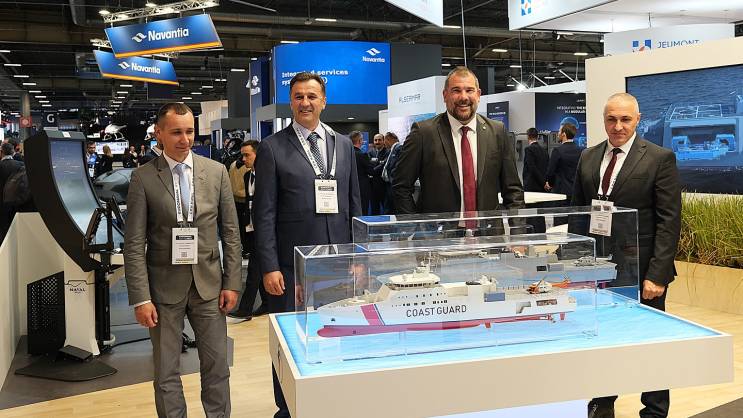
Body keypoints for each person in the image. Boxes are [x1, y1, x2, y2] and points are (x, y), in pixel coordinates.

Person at [123, 102, 242, 418]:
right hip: (163, 291)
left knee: (217, 366)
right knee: (166, 372)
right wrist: (141, 298)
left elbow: (231, 233)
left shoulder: (215, 172)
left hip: (210, 287)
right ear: (159, 133)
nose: (185, 139)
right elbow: (133, 244)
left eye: (189, 131)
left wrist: (232, 282)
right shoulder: (143, 178)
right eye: (176, 132)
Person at [254, 72, 361, 418]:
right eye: (298, 96)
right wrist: (269, 266)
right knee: (290, 340)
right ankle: (287, 407)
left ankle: (329, 401)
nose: (305, 103)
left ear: (323, 101)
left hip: (337, 262)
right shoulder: (272, 147)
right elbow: (264, 213)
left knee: (335, 332)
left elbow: (354, 204)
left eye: (312, 96)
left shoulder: (342, 144)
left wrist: (358, 255)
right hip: (291, 267)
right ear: (291, 102)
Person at [571, 93, 681, 418]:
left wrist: (657, 275)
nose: (618, 126)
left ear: (637, 120)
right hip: (599, 269)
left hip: (643, 270)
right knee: (602, 336)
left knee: (650, 342)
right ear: (604, 120)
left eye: (625, 119)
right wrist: (576, 266)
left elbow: (669, 221)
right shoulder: (588, 157)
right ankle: (602, 404)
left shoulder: (659, 158)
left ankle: (654, 410)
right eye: (611, 119)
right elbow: (578, 214)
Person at [393, 66, 524, 215]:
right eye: (456, 90)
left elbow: (513, 190)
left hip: (488, 229)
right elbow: (401, 186)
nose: (463, 97)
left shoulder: (497, 131)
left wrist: (517, 227)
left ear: (478, 95)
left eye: (469, 90)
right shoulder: (423, 133)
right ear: (445, 95)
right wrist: (415, 224)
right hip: (439, 229)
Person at [227, 139, 269, 322]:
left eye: (247, 155)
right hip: (251, 229)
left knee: (253, 270)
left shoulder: (268, 177)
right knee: (258, 268)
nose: (243, 159)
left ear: (258, 155)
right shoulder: (247, 176)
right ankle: (267, 303)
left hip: (265, 231)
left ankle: (245, 308)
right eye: (242, 155)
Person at [545, 122, 581, 204]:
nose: (558, 134)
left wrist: (550, 184)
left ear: (564, 134)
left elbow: (550, 172)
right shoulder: (581, 150)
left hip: (560, 193)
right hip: (576, 193)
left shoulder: (557, 151)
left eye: (559, 131)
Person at [0, 143, 24, 243]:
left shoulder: (1, 166)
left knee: (3, 228)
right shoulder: (21, 165)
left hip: (2, 202)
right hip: (17, 202)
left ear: (1, 152)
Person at [350, 131, 374, 216]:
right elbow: (371, 171)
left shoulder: (345, 154)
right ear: (360, 141)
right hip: (362, 189)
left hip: (348, 188)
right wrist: (381, 164)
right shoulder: (362, 155)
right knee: (363, 211)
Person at [522, 127, 549, 192]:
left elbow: (532, 168)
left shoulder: (528, 149)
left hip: (531, 186)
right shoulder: (544, 151)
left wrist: (543, 182)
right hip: (542, 187)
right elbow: (548, 168)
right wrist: (544, 183)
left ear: (528, 137)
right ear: (537, 136)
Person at [368, 133, 388, 215]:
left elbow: (383, 165)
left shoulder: (387, 152)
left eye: (379, 140)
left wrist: (372, 171)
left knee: (386, 209)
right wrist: (379, 163)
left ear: (383, 141)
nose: (377, 142)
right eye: (375, 140)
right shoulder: (370, 152)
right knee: (374, 209)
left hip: (384, 185)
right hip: (372, 185)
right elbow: (368, 164)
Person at [381, 131, 401, 214]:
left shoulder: (398, 148)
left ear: (389, 139)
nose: (384, 143)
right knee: (388, 208)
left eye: (384, 140)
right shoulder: (392, 149)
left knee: (393, 208)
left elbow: (397, 166)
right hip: (389, 184)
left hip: (393, 184)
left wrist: (393, 179)